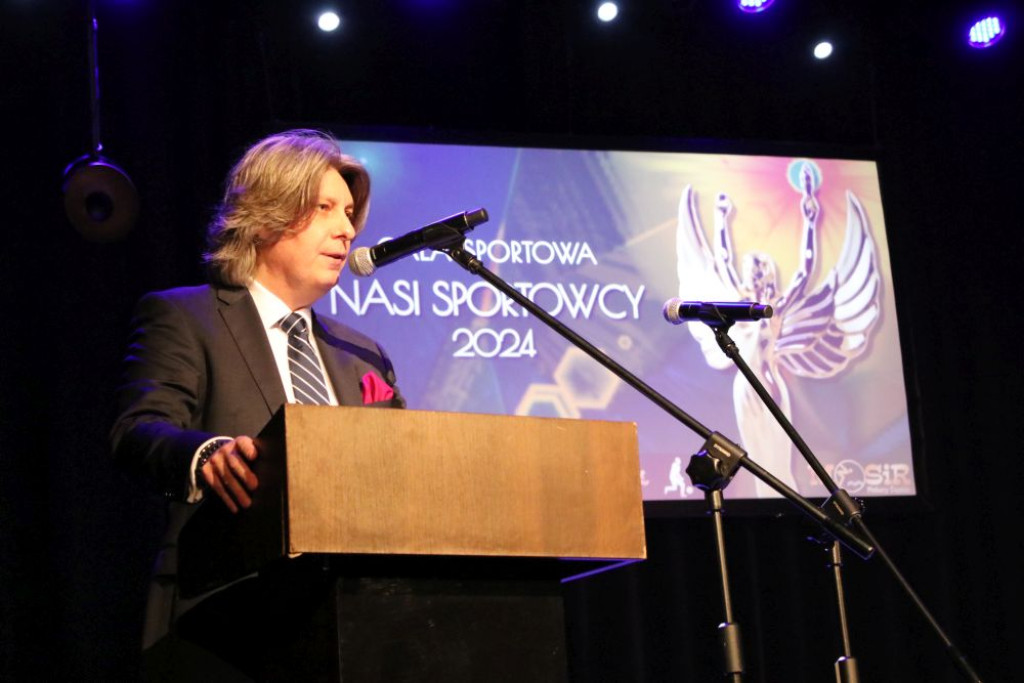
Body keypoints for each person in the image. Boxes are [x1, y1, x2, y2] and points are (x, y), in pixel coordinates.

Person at [110, 129, 404, 678]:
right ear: (267, 214)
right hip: (220, 624)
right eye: (324, 208)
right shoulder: (187, 318)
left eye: (348, 213)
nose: (347, 229)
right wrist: (207, 455)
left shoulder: (363, 355)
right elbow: (138, 429)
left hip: (354, 628)